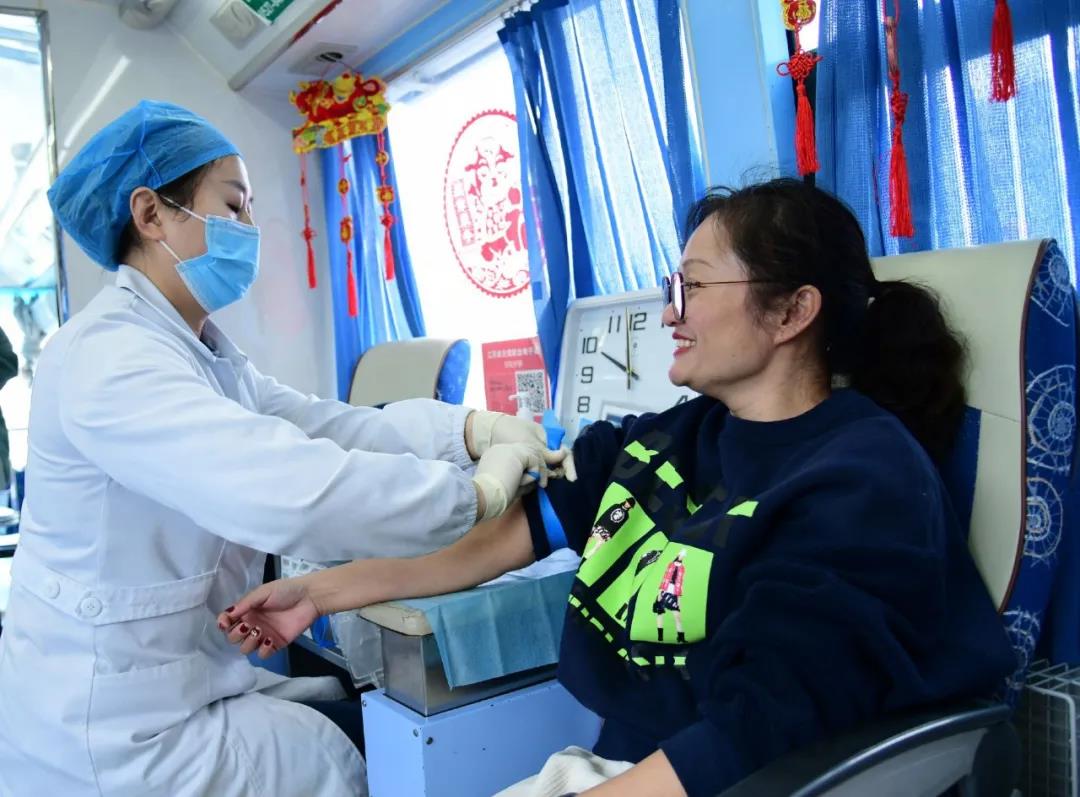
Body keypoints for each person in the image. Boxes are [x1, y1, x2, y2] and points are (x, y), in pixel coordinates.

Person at [219, 179, 1016, 797]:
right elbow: (492, 542)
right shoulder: (672, 438)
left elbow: (758, 731)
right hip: (633, 767)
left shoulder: (860, 482)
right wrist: (320, 592)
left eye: (693, 288)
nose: (670, 312)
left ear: (792, 312)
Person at [0, 100, 567, 797]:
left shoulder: (206, 357)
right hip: (109, 734)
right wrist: (476, 495)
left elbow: (328, 425)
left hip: (173, 687)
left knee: (345, 718)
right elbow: (287, 486)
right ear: (150, 215)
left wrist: (469, 430)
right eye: (232, 206)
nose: (248, 229)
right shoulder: (109, 357)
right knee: (359, 756)